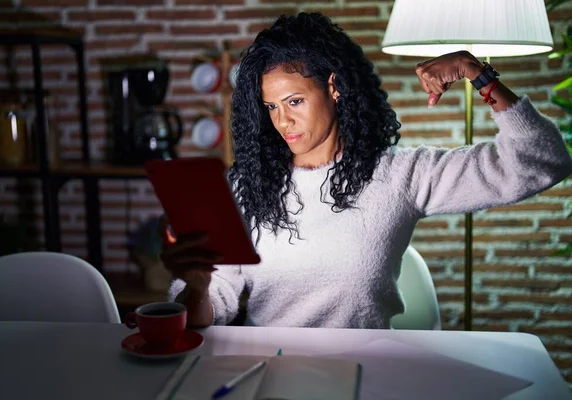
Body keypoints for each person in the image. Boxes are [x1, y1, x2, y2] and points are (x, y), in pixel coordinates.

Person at [160, 12, 572, 329]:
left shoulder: (400, 175)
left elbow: (541, 159)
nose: (282, 121)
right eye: (271, 107)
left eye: (295, 102)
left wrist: (474, 72)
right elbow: (216, 305)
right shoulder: (249, 186)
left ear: (334, 88)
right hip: (270, 367)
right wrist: (196, 286)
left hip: (366, 369)